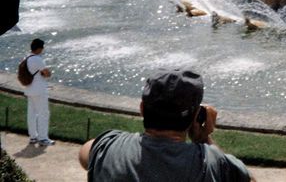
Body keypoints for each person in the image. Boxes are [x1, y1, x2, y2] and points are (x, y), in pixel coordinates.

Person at [79, 69, 252, 180]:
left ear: (142, 109)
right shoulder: (211, 163)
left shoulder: (108, 146)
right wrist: (204, 138)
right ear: (196, 117)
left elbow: (84, 153)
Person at [24, 37, 54, 147]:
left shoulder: (27, 57)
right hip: (39, 90)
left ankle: (33, 136)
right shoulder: (37, 59)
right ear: (39, 48)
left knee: (31, 114)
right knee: (43, 114)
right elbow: (47, 73)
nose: (42, 50)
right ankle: (43, 138)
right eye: (42, 48)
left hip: (29, 89)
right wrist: (48, 73)